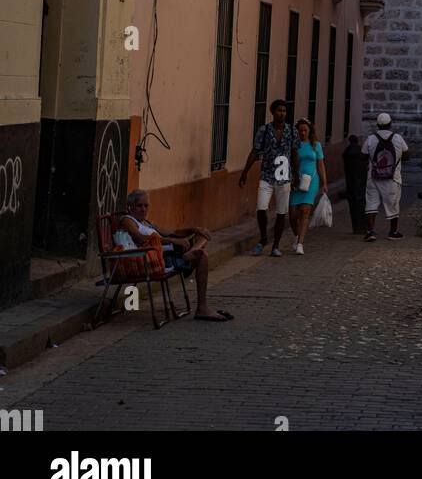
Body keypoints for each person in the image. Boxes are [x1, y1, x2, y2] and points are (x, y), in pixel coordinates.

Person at [118, 190, 232, 322]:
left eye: (146, 206)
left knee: (203, 234)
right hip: (156, 257)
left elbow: (173, 232)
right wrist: (171, 241)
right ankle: (202, 308)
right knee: (201, 256)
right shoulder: (127, 220)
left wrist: (193, 229)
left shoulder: (146, 223)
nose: (143, 209)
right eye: (139, 206)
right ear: (130, 206)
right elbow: (140, 239)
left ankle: (190, 253)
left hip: (168, 251)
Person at [239, 99, 300, 256]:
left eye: (284, 111)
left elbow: (294, 153)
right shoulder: (264, 130)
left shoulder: (292, 131)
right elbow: (255, 151)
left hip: (284, 177)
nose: (282, 113)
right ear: (272, 112)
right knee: (261, 208)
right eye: (279, 111)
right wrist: (245, 171)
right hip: (266, 175)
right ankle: (263, 238)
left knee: (281, 212)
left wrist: (296, 174)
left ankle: (276, 245)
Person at [362, 112, 409, 242]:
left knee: (371, 204)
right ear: (390, 124)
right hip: (392, 178)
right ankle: (393, 232)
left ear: (377, 125)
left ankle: (370, 231)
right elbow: (407, 155)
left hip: (373, 177)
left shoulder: (370, 139)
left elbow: (364, 155)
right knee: (393, 204)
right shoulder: (398, 138)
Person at [289, 117, 327, 254]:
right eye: (300, 131)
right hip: (295, 181)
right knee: (292, 215)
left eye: (305, 130)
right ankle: (296, 235)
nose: (303, 133)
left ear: (310, 131)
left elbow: (320, 164)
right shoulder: (293, 145)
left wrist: (324, 182)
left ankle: (300, 243)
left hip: (312, 180)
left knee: (305, 211)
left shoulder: (316, 145)